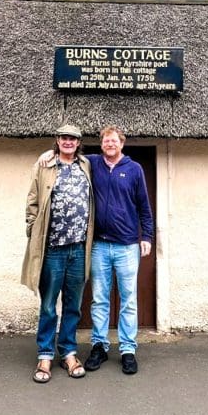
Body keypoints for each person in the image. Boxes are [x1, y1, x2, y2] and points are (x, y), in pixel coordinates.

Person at [38, 124, 154, 375]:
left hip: (126, 246)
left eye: (114, 141)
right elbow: (66, 156)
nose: (110, 144)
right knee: (100, 300)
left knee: (129, 300)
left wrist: (147, 235)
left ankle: (127, 349)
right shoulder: (91, 164)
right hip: (99, 245)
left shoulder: (134, 170)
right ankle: (99, 346)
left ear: (122, 143)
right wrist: (48, 155)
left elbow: (144, 206)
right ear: (100, 144)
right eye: (105, 141)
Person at [20, 123, 95, 384]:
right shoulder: (45, 166)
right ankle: (45, 355)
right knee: (50, 306)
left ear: (78, 143)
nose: (68, 142)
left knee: (73, 306)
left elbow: (111, 158)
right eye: (64, 138)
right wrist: (33, 228)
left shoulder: (86, 165)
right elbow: (32, 200)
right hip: (53, 249)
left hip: (78, 248)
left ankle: (69, 352)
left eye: (73, 139)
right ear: (57, 140)